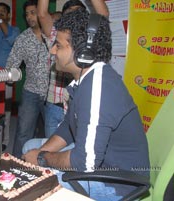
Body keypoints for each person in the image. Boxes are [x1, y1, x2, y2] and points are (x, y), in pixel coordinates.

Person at [22, 8, 150, 201]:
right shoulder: (85, 79)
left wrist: (42, 159)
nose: (52, 50)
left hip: (118, 184)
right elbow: (67, 128)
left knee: (35, 182)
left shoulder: (99, 87)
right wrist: (41, 152)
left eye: (58, 45)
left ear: (83, 53)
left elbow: (85, 162)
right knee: (30, 146)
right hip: (99, 162)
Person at [39, 0, 109, 138]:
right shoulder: (55, 34)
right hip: (55, 107)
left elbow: (103, 15)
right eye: (70, 13)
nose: (74, 16)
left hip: (79, 109)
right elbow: (42, 14)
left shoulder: (90, 39)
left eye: (79, 13)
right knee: (49, 154)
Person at [6, 0, 50, 158]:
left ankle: (48, 170)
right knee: (23, 133)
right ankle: (16, 163)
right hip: (30, 92)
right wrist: (10, 75)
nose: (30, 17)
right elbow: (11, 64)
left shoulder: (53, 34)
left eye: (33, 12)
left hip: (51, 94)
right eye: (27, 14)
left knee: (52, 135)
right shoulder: (23, 39)